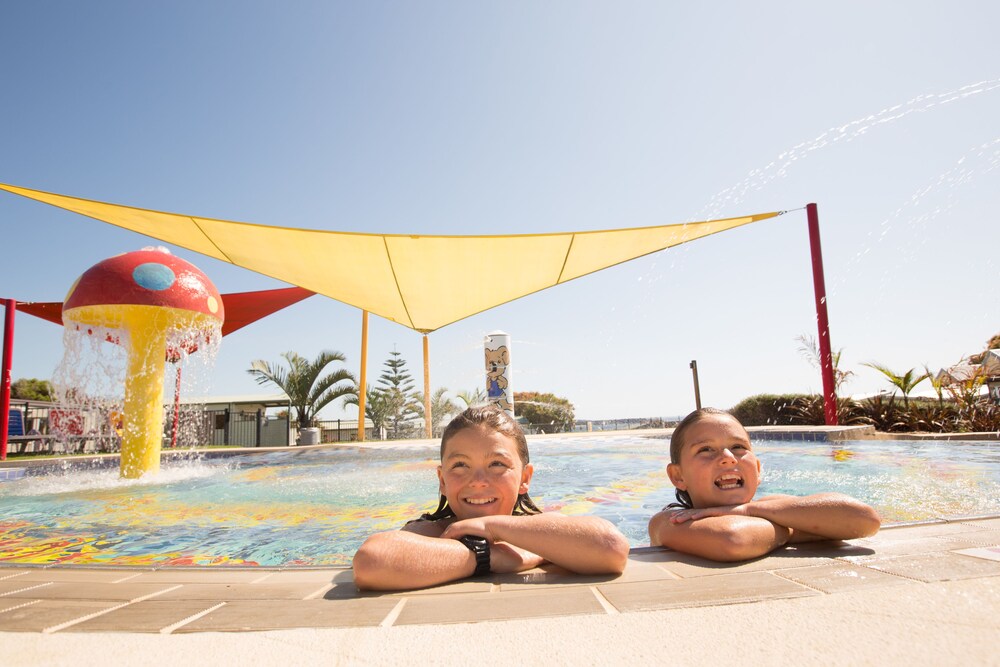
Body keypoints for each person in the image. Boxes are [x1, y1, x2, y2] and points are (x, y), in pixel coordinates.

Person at [352, 405, 631, 590]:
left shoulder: (541, 525)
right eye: (460, 465)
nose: (478, 481)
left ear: (525, 478)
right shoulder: (431, 531)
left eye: (497, 464)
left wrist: (493, 527)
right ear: (442, 481)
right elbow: (371, 561)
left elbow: (611, 547)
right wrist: (491, 556)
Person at [648, 407, 881, 562]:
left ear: (758, 470)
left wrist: (750, 510)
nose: (728, 457)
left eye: (739, 447)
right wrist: (796, 528)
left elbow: (865, 519)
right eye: (706, 449)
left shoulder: (768, 506)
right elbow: (732, 539)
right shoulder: (669, 521)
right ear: (678, 476)